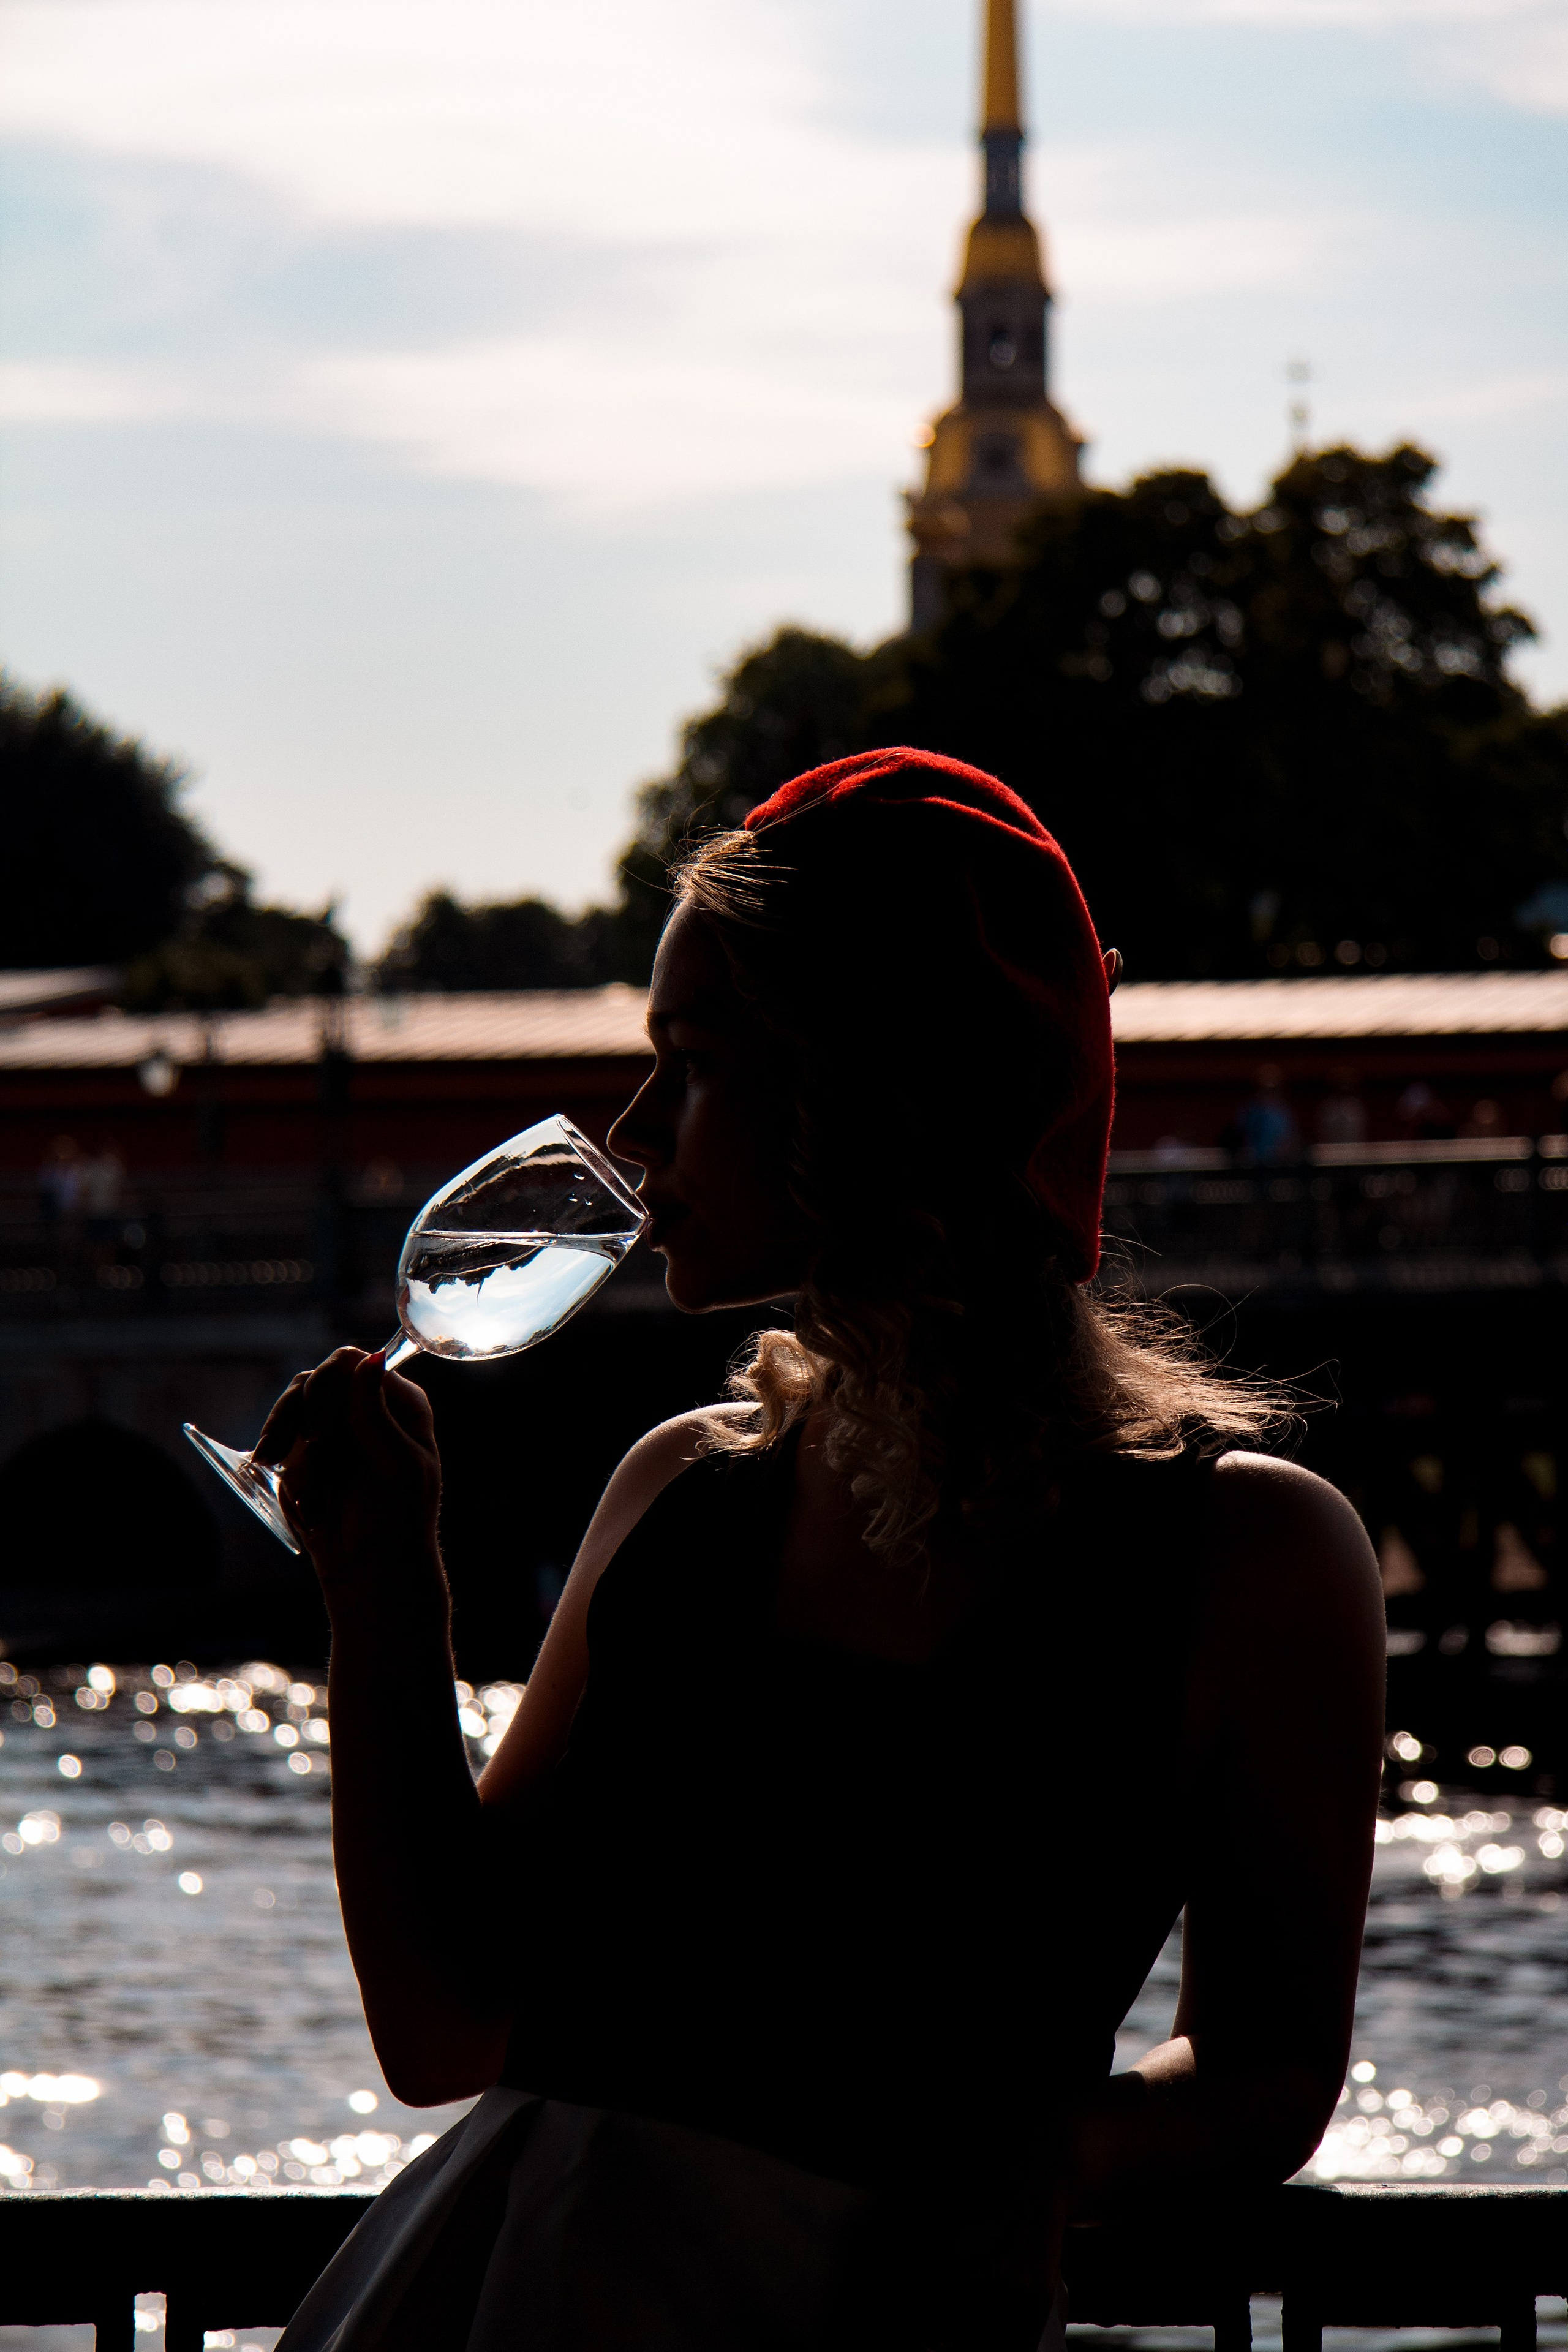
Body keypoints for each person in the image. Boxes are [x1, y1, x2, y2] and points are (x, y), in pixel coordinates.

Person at [260, 750, 1384, 2352]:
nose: (637, 1136)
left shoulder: (1252, 1556)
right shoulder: (676, 1492)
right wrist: (383, 1603)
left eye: (697, 1063)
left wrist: (1057, 2163)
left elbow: (1273, 2067)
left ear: (876, 1091)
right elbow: (446, 2028)